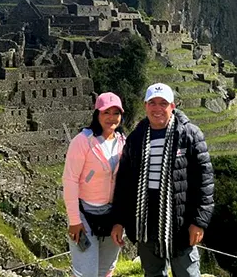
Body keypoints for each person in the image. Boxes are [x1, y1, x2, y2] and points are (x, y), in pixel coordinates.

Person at [110, 83, 214, 277]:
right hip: (146, 222)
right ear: (145, 106)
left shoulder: (190, 135)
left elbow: (205, 181)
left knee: (187, 273)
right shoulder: (136, 138)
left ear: (172, 106)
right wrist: (118, 221)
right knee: (153, 273)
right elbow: (124, 183)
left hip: (180, 222)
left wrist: (199, 221)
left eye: (163, 103)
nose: (157, 108)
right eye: (152, 103)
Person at [63, 92, 127, 277]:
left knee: (106, 270)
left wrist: (121, 221)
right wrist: (74, 221)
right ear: (97, 114)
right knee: (86, 272)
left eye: (116, 113)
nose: (111, 118)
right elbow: (70, 180)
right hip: (85, 214)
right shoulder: (83, 141)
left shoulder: (123, 142)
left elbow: (126, 182)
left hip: (112, 215)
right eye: (106, 112)